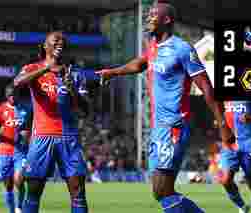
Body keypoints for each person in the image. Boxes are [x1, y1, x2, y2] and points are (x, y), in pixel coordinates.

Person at [96, 1, 234, 212]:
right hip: (158, 128)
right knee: (160, 191)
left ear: (166, 20)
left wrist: (222, 124)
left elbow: (206, 87)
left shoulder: (182, 49)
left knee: (162, 189)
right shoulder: (153, 47)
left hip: (174, 126)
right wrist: (113, 72)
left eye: (153, 14)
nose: (148, 18)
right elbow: (141, 63)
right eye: (148, 14)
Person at [14, 31, 89, 213]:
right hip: (42, 136)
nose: (60, 43)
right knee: (33, 191)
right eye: (56, 40)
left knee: (78, 192)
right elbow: (18, 82)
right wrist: (46, 68)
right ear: (45, 46)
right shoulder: (32, 68)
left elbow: (85, 110)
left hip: (69, 138)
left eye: (63, 41)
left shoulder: (76, 74)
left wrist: (73, 91)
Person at [219, 101, 251, 213]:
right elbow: (219, 112)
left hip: (248, 142)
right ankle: (242, 207)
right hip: (229, 143)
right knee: (225, 180)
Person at [0, 84, 31, 213]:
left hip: (20, 151)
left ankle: (20, 207)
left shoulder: (26, 109)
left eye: (14, 94)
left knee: (19, 180)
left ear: (18, 95)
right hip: (5, 151)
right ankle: (11, 210)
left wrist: (26, 134)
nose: (12, 97)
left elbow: (30, 128)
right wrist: (0, 132)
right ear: (6, 96)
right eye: (10, 95)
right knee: (8, 185)